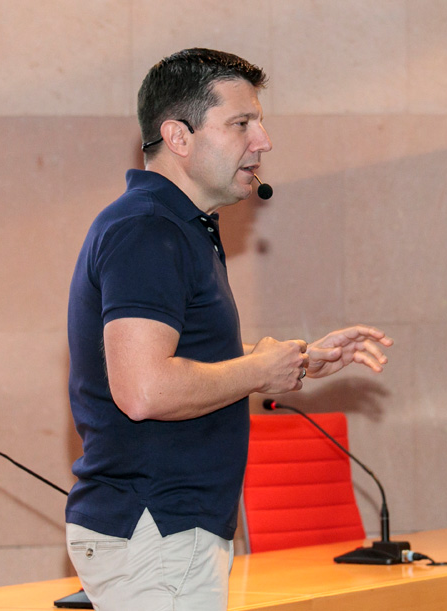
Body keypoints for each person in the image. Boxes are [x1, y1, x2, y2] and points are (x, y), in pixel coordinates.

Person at [65, 48, 392, 610]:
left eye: (258, 123)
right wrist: (258, 369)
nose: (262, 140)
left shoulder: (174, 226)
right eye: (241, 123)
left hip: (165, 531)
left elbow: (183, 354)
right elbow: (143, 389)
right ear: (179, 136)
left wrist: (297, 361)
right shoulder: (148, 230)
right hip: (158, 528)